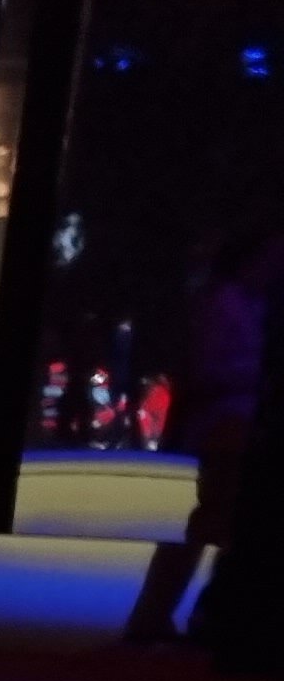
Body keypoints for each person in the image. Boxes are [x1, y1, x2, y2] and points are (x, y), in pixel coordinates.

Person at [125, 229, 270, 646]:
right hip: (230, 428)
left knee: (215, 524)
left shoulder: (232, 303)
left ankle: (176, 613)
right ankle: (188, 615)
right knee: (219, 523)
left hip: (229, 427)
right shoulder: (229, 306)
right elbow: (215, 370)